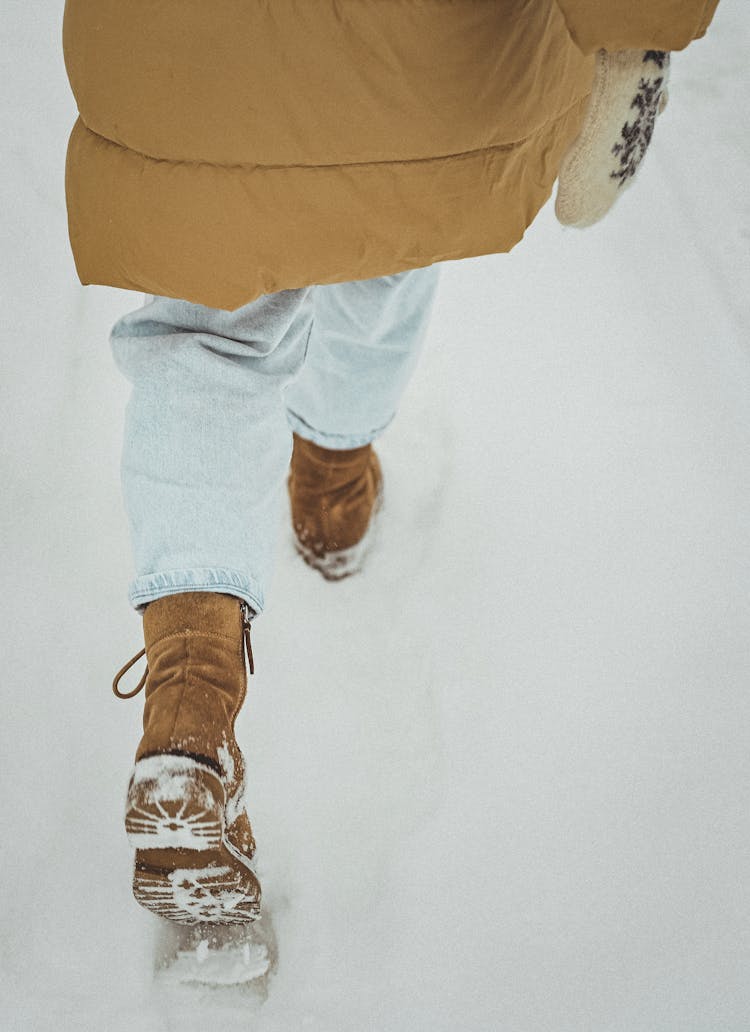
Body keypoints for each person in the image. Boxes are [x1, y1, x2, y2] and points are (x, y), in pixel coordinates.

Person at [62, 0, 719, 924]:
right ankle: (331, 484)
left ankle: (188, 718)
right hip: (422, 51)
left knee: (203, 325)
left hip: (178, 50)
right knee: (383, 232)